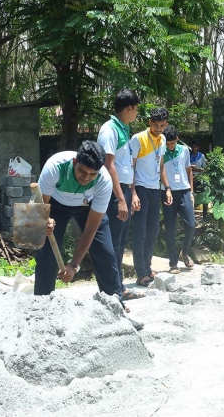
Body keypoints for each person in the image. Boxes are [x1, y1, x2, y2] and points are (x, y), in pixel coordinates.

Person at [33, 141, 127, 310]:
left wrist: (74, 264)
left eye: (92, 174)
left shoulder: (104, 180)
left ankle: (116, 305)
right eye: (82, 171)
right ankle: (42, 307)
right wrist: (44, 221)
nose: (86, 177)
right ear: (75, 162)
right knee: (46, 255)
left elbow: (91, 229)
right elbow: (39, 208)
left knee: (105, 252)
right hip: (55, 205)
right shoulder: (55, 167)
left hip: (87, 206)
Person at [97, 89, 144, 302]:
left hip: (124, 190)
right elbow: (109, 165)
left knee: (120, 242)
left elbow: (127, 166)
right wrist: (121, 199)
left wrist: (132, 192)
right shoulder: (109, 130)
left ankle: (120, 288)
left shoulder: (123, 129)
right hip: (114, 193)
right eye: (136, 109)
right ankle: (112, 292)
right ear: (129, 108)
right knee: (112, 243)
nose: (137, 114)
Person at [130, 107, 168, 287]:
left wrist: (167, 188)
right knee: (140, 232)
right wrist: (133, 193)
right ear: (150, 122)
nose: (159, 128)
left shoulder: (163, 140)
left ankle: (147, 267)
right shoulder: (138, 138)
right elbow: (131, 167)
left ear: (166, 124)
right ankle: (141, 273)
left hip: (155, 189)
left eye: (162, 125)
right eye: (156, 125)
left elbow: (161, 167)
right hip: (141, 189)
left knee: (153, 232)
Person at [161, 125, 196, 274]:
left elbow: (189, 171)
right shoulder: (161, 151)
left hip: (184, 192)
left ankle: (185, 253)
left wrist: (191, 192)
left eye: (172, 143)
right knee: (170, 229)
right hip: (167, 193)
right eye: (167, 144)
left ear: (177, 139)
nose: (169, 146)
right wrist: (167, 188)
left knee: (191, 225)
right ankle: (173, 263)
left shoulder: (184, 150)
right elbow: (160, 171)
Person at [189, 138, 208, 217]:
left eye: (196, 147)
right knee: (191, 195)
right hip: (190, 178)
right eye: (193, 147)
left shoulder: (201, 156)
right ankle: (191, 214)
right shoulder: (188, 155)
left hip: (199, 177)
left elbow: (205, 169)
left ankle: (205, 214)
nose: (194, 149)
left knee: (203, 196)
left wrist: (197, 169)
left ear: (198, 147)